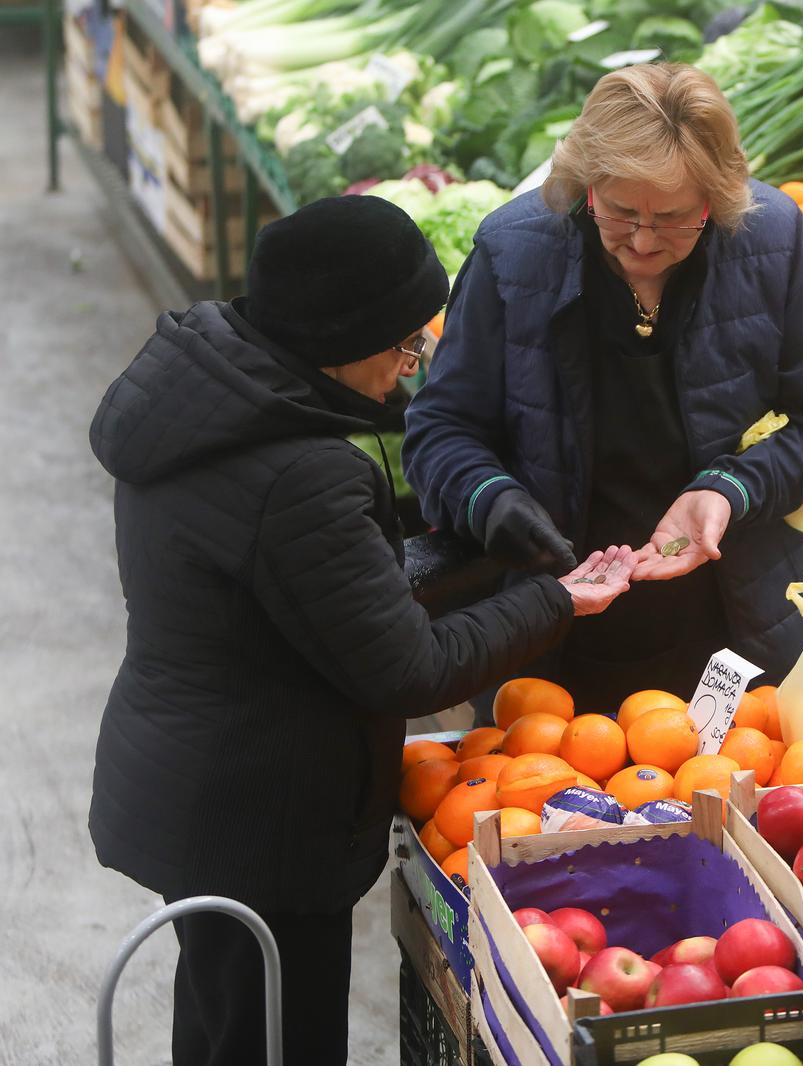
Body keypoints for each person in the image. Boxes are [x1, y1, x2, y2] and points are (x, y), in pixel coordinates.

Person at [86, 195, 634, 1066]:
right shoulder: (300, 473)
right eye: (403, 344)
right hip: (261, 821)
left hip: (199, 785)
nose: (408, 370)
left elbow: (311, 588)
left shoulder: (207, 406)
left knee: (227, 1023)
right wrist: (557, 599)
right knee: (272, 1038)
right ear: (343, 341)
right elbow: (408, 668)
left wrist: (475, 543)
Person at [403, 64, 803, 711]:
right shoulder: (514, 252)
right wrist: (493, 502)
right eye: (619, 212)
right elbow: (439, 430)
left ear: (716, 198)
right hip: (549, 612)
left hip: (737, 617)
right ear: (586, 186)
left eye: (674, 219)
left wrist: (730, 490)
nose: (643, 242)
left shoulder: (772, 240)